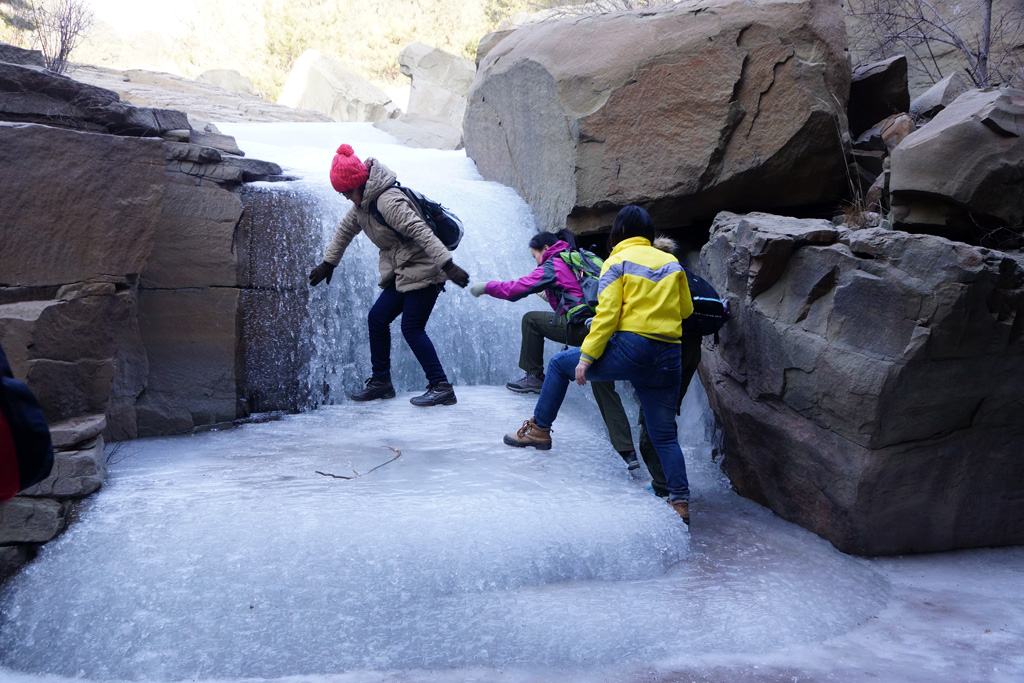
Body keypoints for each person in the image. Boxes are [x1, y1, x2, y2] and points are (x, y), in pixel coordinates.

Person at [502, 205, 695, 524]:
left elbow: (606, 316)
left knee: (560, 365)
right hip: (669, 353)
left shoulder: (617, 261)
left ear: (617, 233)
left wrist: (588, 356)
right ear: (649, 234)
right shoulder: (671, 263)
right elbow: (686, 311)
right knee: (663, 435)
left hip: (633, 345)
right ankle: (680, 502)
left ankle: (539, 429)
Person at [309, 144, 470, 407]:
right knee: (377, 318)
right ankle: (381, 382)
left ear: (359, 183)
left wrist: (448, 266)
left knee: (412, 327)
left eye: (348, 191)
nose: (348, 197)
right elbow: (344, 231)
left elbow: (421, 231)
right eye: (343, 194)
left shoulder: (388, 201)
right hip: (402, 272)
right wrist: (329, 263)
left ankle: (441, 386)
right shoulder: (364, 205)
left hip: (426, 268)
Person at [469, 229, 639, 470]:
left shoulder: (554, 263)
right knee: (603, 384)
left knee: (531, 320)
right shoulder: (582, 258)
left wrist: (487, 287)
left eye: (534, 255)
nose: (536, 261)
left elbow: (517, 289)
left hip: (583, 327)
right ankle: (628, 452)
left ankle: (534, 376)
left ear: (545, 249)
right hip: (607, 328)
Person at [638, 237, 703, 500]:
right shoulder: (683, 271)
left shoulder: (655, 273)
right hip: (690, 351)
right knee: (665, 417)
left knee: (652, 426)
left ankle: (667, 486)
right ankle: (671, 484)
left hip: (668, 352)